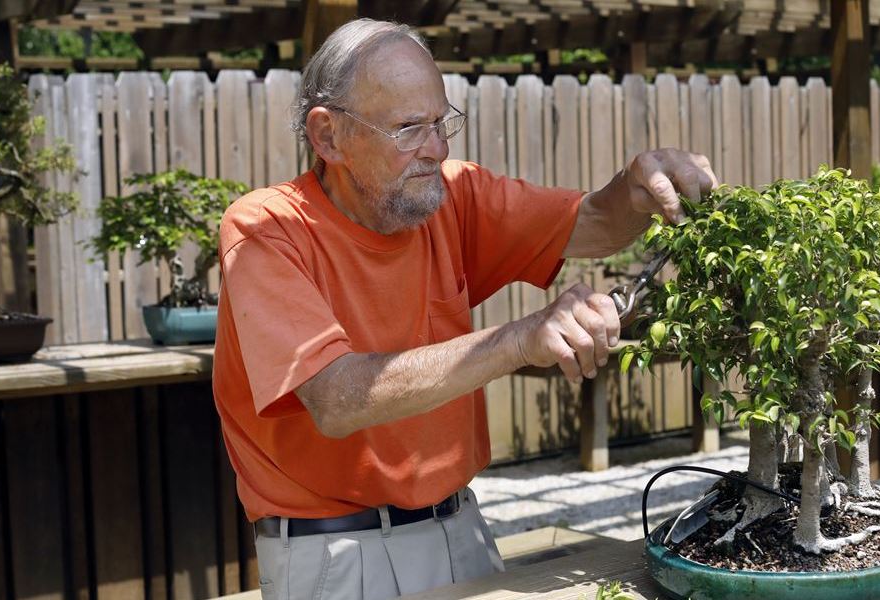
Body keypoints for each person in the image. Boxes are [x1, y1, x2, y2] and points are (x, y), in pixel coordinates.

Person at [212, 18, 718, 600]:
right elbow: (335, 398)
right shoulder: (267, 229)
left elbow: (596, 223)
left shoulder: (451, 196)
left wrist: (634, 190)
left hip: (462, 527)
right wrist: (516, 341)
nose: (436, 148)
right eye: (408, 129)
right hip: (334, 552)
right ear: (328, 137)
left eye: (441, 121)